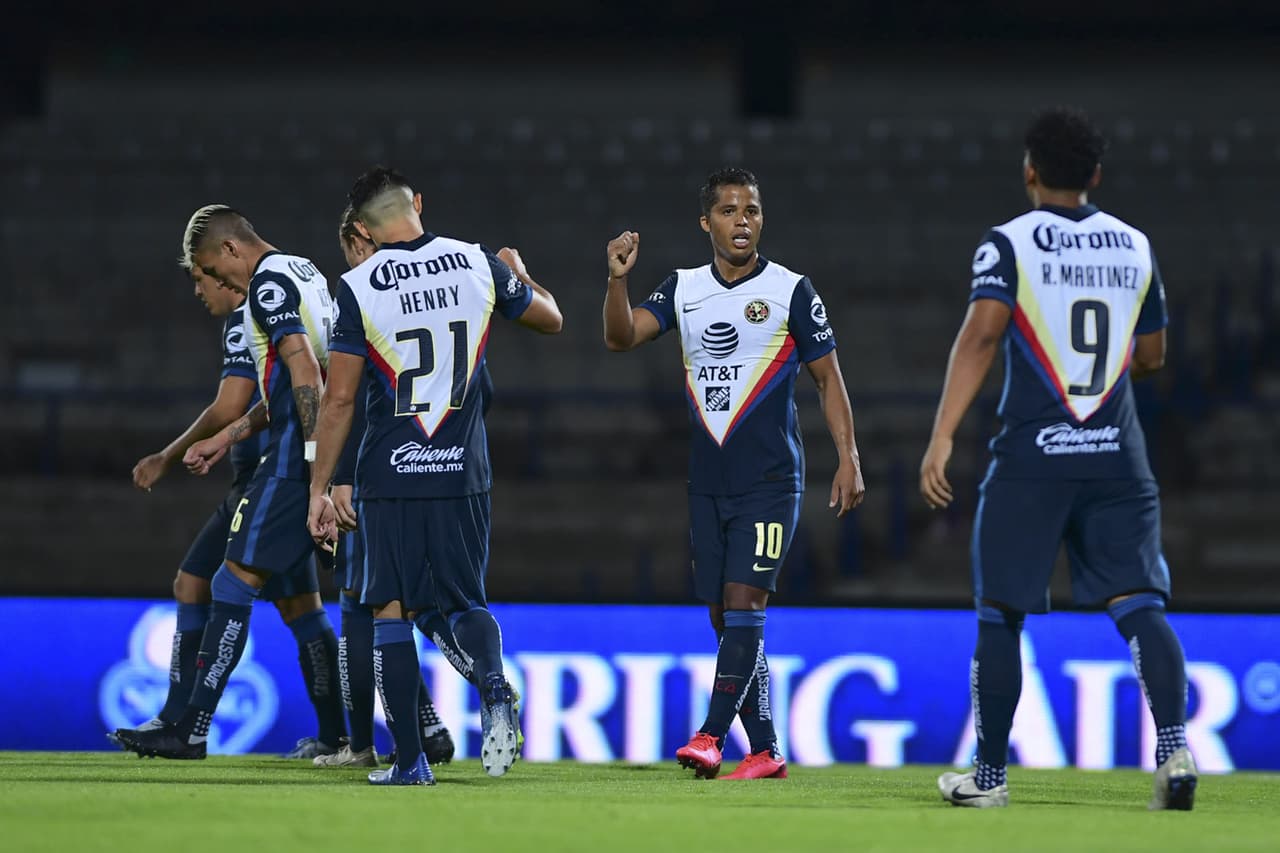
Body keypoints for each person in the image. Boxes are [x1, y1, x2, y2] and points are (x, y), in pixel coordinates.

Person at [919, 107, 1196, 810]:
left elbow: (982, 337)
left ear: (1030, 172)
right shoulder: (1136, 244)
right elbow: (1156, 356)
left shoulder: (1009, 242)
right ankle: (1173, 749)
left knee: (1000, 614)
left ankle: (988, 779)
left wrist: (942, 434)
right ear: (1096, 176)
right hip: (1117, 457)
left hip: (1033, 457)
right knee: (1138, 602)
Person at [601, 167, 866, 780]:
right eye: (728, 210)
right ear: (706, 223)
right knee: (725, 616)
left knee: (746, 604)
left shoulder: (792, 290)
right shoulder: (683, 288)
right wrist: (617, 282)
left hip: (771, 480)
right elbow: (622, 337)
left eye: (751, 210)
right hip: (707, 482)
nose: (741, 220)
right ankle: (767, 749)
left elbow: (829, 379)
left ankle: (711, 735)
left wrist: (848, 457)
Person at [307, 167, 562, 786]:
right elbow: (552, 318)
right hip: (463, 469)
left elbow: (339, 401)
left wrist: (318, 487)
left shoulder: (357, 285)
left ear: (362, 229)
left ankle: (411, 764)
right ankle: (495, 689)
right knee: (466, 601)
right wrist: (516, 272)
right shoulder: (476, 262)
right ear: (418, 204)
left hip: (390, 472)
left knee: (390, 612)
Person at [118, 205, 345, 760]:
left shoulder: (265, 291)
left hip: (290, 462)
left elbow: (302, 377)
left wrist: (318, 468)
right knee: (329, 602)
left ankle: (190, 726)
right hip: (308, 452)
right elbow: (289, 387)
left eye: (206, 272)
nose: (209, 285)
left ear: (229, 250)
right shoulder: (304, 271)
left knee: (229, 584)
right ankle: (356, 732)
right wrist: (229, 439)